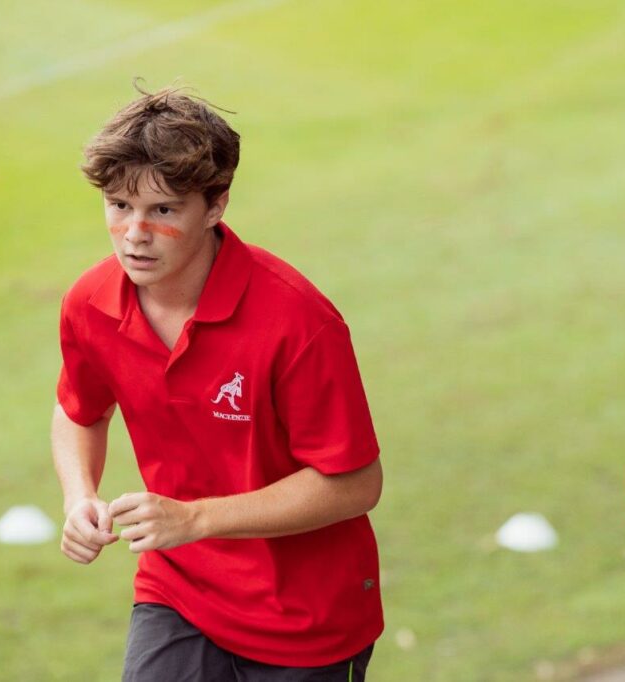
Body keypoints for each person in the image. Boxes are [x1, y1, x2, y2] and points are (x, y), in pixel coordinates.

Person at [52, 85, 383, 681]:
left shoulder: (298, 321)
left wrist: (194, 520)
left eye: (163, 211)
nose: (134, 233)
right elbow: (79, 411)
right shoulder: (90, 303)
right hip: (178, 591)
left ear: (215, 206)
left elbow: (356, 484)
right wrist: (80, 496)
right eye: (119, 205)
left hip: (306, 621)